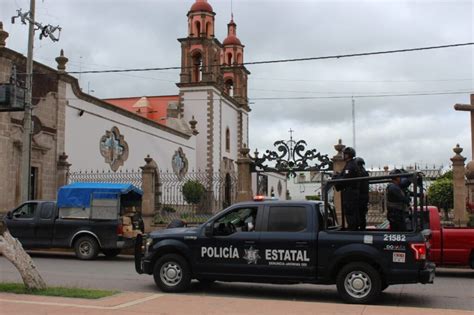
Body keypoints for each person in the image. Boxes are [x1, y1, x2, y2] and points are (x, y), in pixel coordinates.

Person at [334, 147, 361, 230]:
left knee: (350, 212)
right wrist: (336, 176)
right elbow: (343, 175)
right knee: (350, 212)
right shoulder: (349, 164)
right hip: (350, 192)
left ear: (348, 155)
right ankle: (352, 227)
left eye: (345, 154)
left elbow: (345, 178)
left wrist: (336, 180)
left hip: (350, 193)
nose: (343, 155)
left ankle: (352, 229)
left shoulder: (351, 165)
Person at [355, 157, 369, 230]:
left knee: (359, 215)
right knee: (362, 215)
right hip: (364, 197)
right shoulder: (365, 172)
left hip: (360, 197)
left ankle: (360, 229)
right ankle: (362, 228)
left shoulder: (359, 172)